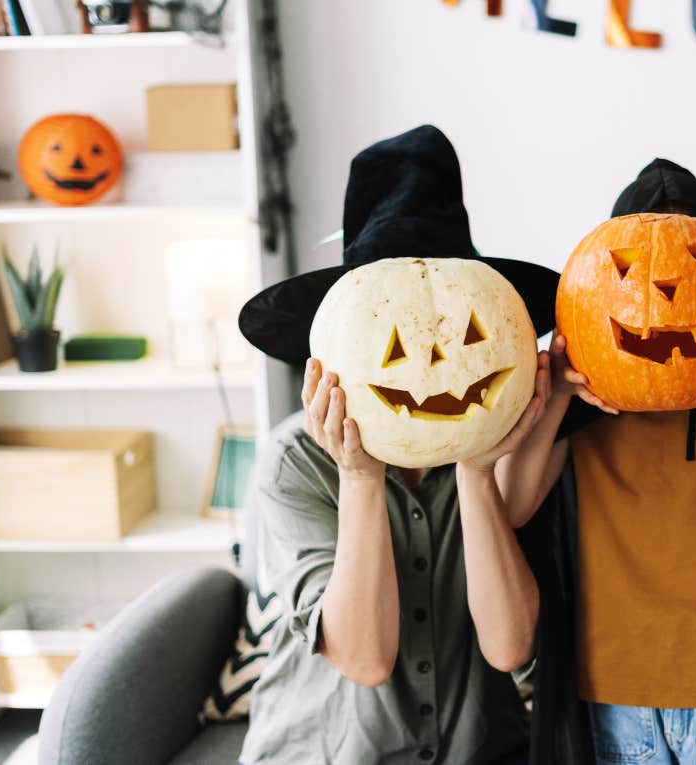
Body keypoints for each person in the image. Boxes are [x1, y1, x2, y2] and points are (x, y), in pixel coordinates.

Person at [234, 125, 561, 765]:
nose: (431, 365)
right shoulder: (293, 461)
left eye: (463, 332)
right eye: (390, 339)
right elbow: (363, 656)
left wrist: (476, 468)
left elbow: (511, 646)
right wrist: (358, 478)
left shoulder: (526, 439)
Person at [498, 158, 696, 765]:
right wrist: (560, 393)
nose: (667, 294)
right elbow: (512, 506)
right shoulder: (583, 416)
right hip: (613, 694)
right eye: (627, 272)